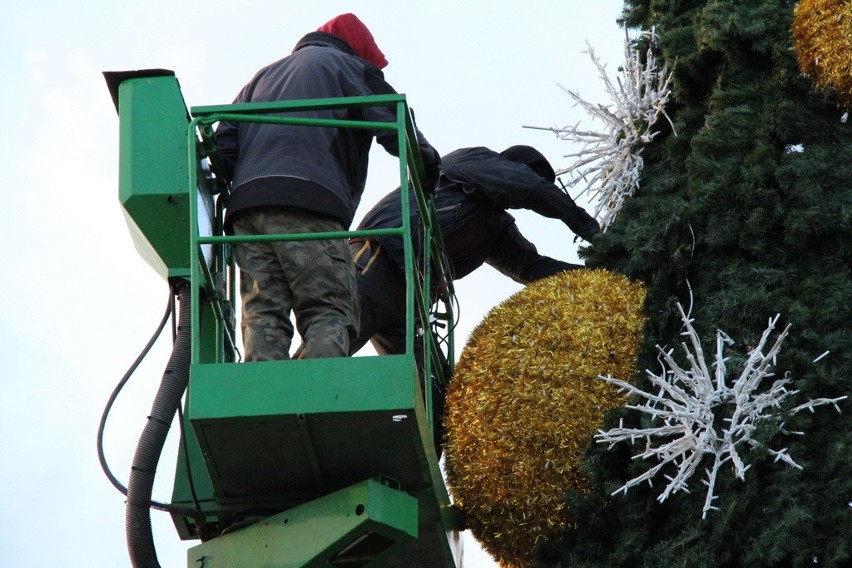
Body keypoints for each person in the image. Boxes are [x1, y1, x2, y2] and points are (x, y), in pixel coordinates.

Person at [215, 13, 441, 361]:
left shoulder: (260, 78)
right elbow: (393, 120)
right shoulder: (349, 67)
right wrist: (427, 165)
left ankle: (265, 405)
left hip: (247, 213)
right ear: (358, 50)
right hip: (310, 203)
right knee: (329, 307)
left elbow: (224, 147)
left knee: (263, 313)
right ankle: (324, 397)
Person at [350, 145, 600, 360]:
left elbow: (531, 267)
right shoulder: (474, 160)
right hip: (379, 258)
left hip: (410, 299)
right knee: (332, 341)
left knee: (432, 391)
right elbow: (531, 188)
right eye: (532, 177)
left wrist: (597, 275)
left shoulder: (493, 224)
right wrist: (589, 229)